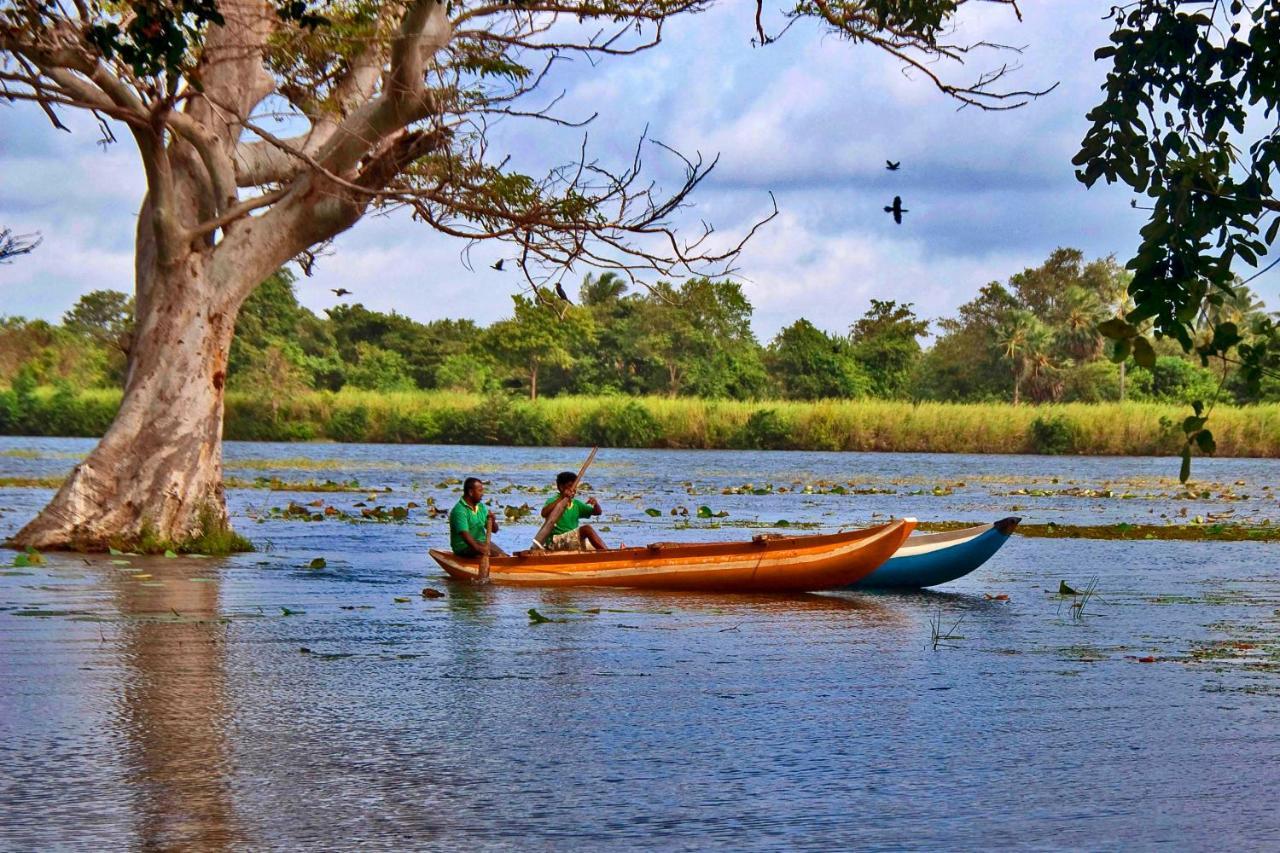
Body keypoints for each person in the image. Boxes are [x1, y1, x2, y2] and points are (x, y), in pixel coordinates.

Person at [540, 471, 607, 551]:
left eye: (575, 487)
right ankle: (610, 555)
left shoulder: (576, 504)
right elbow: (544, 513)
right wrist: (562, 498)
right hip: (556, 540)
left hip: (572, 539)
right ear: (561, 487)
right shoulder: (554, 500)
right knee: (587, 529)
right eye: (570, 486)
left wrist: (596, 504)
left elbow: (597, 512)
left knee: (596, 545)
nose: (574, 490)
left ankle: (609, 554)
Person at [449, 477, 507, 557]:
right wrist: (480, 549)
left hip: (482, 543)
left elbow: (494, 530)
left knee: (504, 556)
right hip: (464, 547)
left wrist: (492, 521)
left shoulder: (481, 507)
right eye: (480, 491)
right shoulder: (459, 511)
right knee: (497, 555)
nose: (482, 494)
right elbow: (465, 535)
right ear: (471, 492)